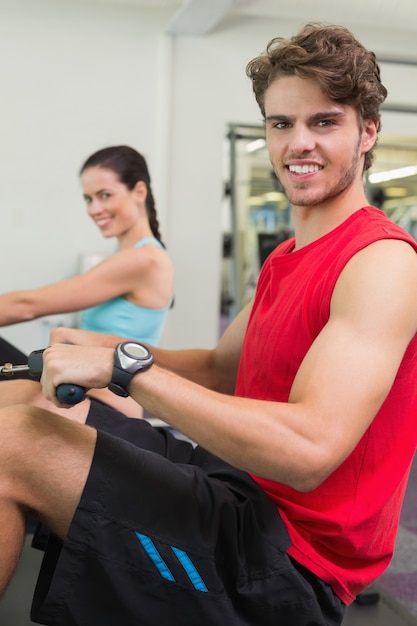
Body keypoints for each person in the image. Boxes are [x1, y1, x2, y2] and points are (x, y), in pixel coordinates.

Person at [1, 23, 417, 626]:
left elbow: (311, 450)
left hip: (290, 560)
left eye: (323, 122)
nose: (298, 142)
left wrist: (125, 368)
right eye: (281, 124)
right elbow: (222, 370)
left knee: (15, 447)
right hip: (236, 485)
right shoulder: (285, 259)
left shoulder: (384, 263)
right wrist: (111, 346)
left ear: (367, 132)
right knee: (22, 397)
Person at [0, 145, 174, 417]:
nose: (94, 209)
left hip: (109, 407)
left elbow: (28, 305)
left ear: (139, 192)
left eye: (104, 196)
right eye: (88, 199)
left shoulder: (143, 259)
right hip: (83, 391)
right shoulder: (130, 256)